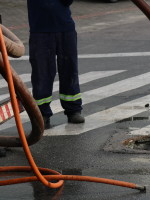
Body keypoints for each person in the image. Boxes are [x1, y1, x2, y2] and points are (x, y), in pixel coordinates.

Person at [27, 0, 85, 128]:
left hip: (65, 28)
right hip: (40, 30)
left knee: (69, 70)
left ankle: (73, 110)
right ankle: (42, 113)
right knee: (42, 73)